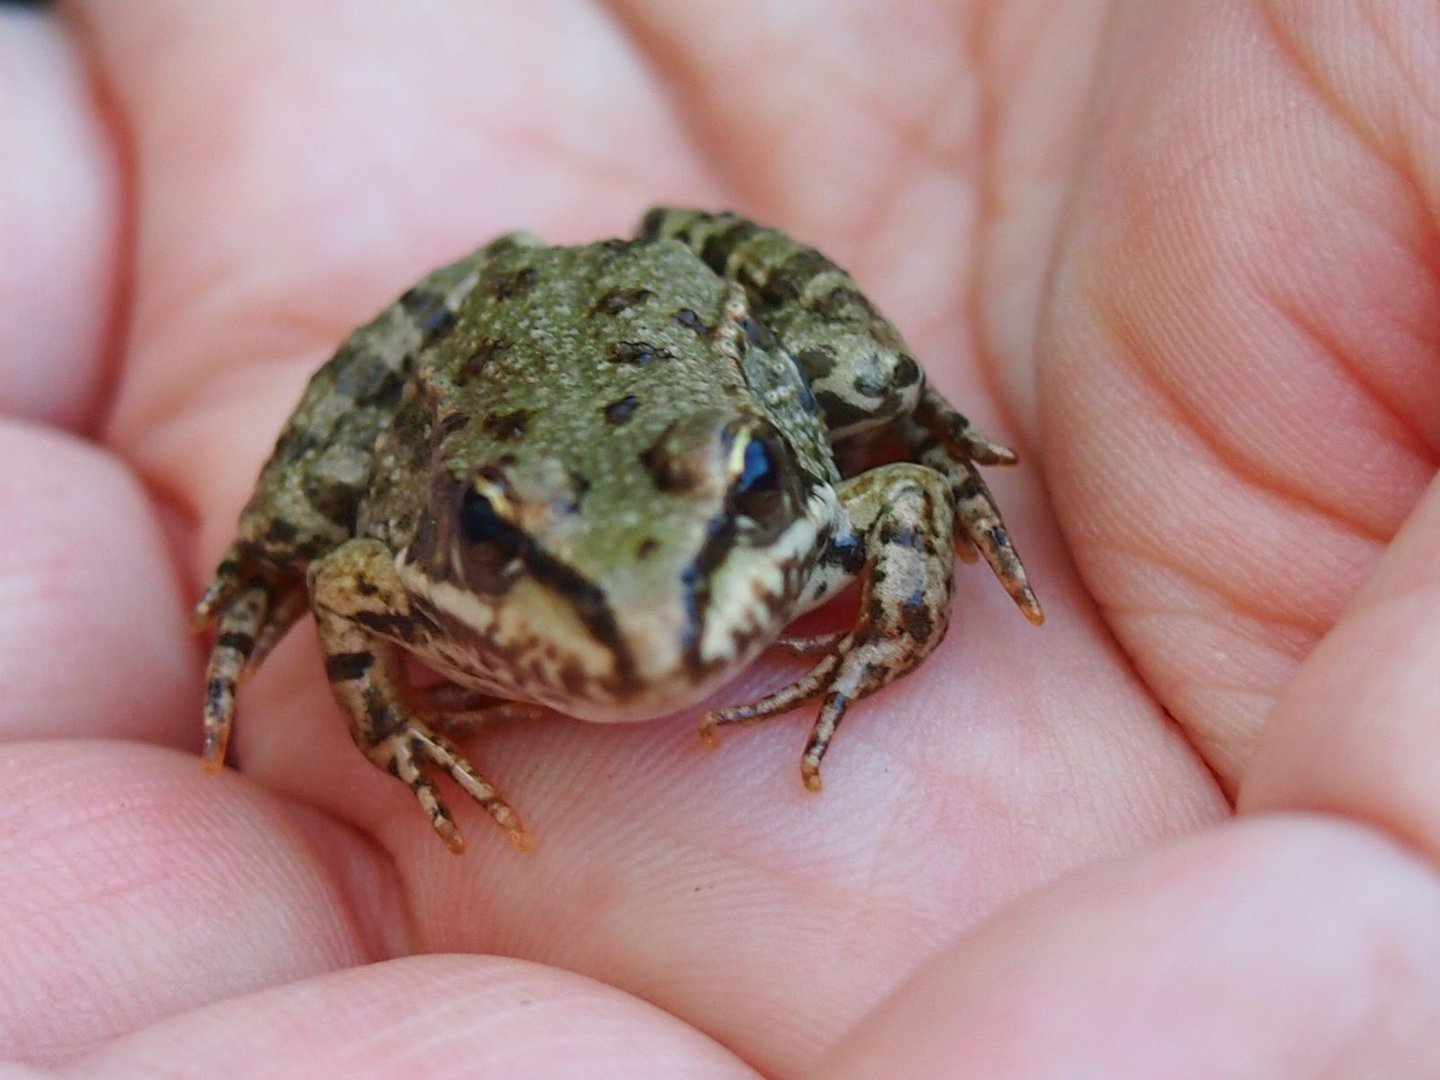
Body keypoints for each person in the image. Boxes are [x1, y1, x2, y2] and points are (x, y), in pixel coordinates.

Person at [3, 2, 1437, 1075]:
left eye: (734, 515)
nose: (653, 628)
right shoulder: (419, 581)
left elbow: (908, 497)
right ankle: (354, 549)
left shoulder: (814, 512)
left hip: (669, 312)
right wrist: (381, 712)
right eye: (522, 552)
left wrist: (882, 626)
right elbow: (351, 578)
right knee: (288, 540)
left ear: (751, 483)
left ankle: (807, 442)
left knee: (886, 411)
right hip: (491, 348)